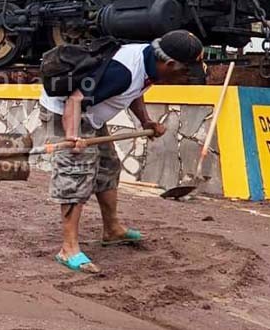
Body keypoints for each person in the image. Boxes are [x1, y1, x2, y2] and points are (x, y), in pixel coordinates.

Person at [39, 30, 205, 274]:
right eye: (184, 72)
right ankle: (69, 248)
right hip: (66, 112)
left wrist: (145, 121)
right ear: (169, 64)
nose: (185, 77)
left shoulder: (149, 63)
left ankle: (112, 229)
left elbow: (135, 91)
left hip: (90, 113)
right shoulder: (123, 71)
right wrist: (72, 137)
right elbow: (74, 100)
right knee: (76, 173)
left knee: (108, 166)